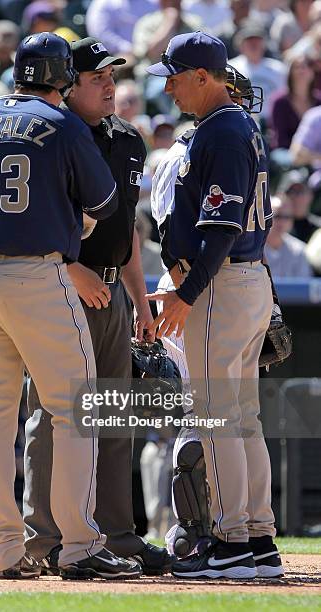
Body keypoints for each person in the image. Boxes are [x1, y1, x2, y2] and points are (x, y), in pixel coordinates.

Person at [0, 31, 142, 581]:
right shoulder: (59, 124)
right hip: (37, 274)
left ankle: (6, 552)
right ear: (61, 77)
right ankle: (80, 546)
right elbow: (106, 203)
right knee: (75, 411)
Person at [23, 36, 173, 577]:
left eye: (114, 76)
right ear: (68, 85)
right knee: (51, 418)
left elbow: (128, 231)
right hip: (56, 290)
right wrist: (69, 267)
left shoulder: (129, 140)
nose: (111, 85)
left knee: (113, 418)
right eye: (97, 78)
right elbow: (31, 224)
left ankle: (117, 536)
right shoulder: (48, 137)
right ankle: (43, 540)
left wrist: (141, 302)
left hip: (111, 295)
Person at [145, 31, 283, 579]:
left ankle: (230, 545)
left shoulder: (222, 130)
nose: (170, 89)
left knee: (217, 416)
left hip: (221, 283)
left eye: (176, 78)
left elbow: (221, 229)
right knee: (242, 418)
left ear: (205, 77)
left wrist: (186, 292)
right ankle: (258, 538)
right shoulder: (234, 126)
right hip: (241, 281)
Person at [264, 195, 313, 277]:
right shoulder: (252, 247)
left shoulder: (298, 250)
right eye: (277, 216)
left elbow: (303, 285)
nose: (282, 222)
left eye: (287, 217)